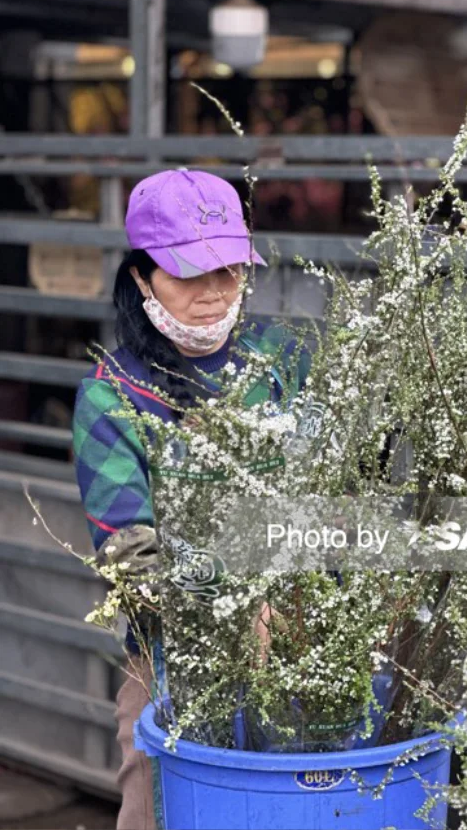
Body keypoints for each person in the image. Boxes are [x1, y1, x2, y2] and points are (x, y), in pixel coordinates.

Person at [72, 169, 309, 830]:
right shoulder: (112, 397)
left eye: (229, 270)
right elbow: (131, 555)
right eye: (189, 272)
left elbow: (328, 489)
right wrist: (231, 607)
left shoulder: (278, 363)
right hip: (172, 665)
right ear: (142, 277)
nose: (213, 291)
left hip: (301, 647)